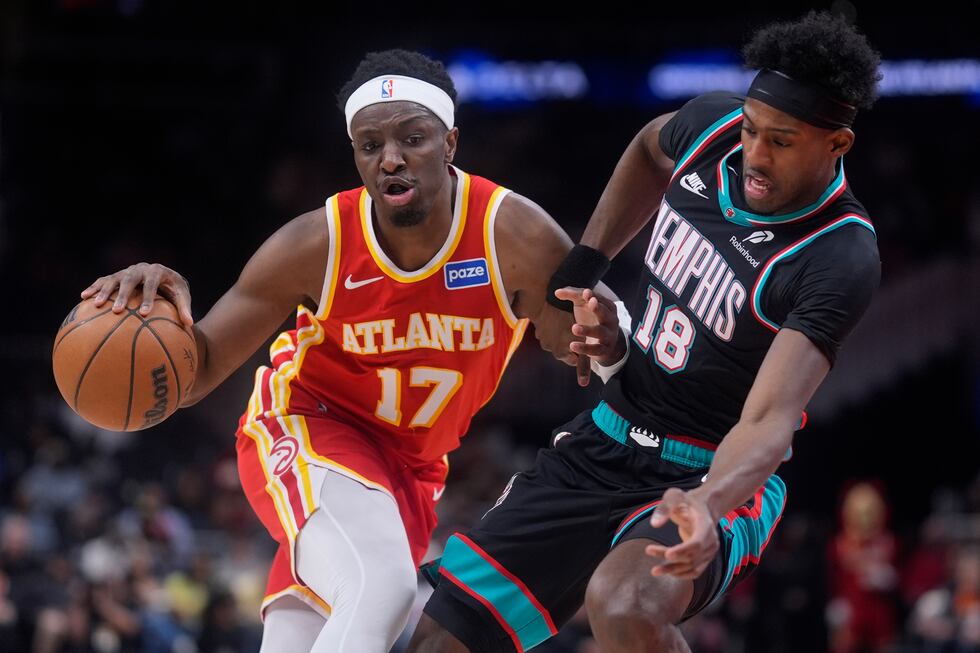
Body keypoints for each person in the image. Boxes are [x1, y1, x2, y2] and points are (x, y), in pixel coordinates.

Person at [80, 50, 619, 653]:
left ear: (450, 143)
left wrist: (608, 339)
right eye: (369, 145)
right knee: (381, 589)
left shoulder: (512, 234)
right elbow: (196, 373)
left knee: (314, 633)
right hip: (307, 425)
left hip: (411, 471)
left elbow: (583, 345)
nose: (390, 158)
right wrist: (161, 314)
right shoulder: (317, 242)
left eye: (412, 138)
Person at [409, 11, 883, 653]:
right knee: (441, 639)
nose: (756, 155)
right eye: (752, 130)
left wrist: (708, 505)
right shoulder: (713, 128)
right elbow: (645, 148)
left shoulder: (839, 253)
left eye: (782, 140)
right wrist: (588, 261)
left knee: (625, 604)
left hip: (709, 472)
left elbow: (770, 419)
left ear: (837, 144)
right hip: (605, 439)